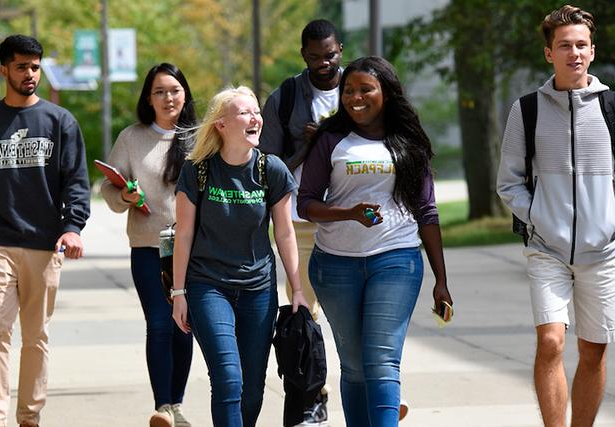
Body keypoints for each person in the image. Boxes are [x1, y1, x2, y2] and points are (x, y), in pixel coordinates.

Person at [297, 56, 453, 427]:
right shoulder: (330, 139)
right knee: (353, 368)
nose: (355, 98)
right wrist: (347, 213)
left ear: (386, 92)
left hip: (396, 259)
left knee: (381, 361)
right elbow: (306, 203)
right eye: (348, 90)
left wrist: (441, 280)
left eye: (366, 89)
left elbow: (427, 212)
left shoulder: (408, 142)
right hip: (336, 264)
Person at [496, 5, 615, 427]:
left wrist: (614, 219)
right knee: (550, 342)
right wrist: (538, 217)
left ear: (592, 50)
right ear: (549, 53)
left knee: (593, 351)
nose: (575, 53)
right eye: (565, 45)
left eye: (581, 45)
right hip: (547, 247)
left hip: (604, 251)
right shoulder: (527, 109)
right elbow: (509, 181)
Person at [171, 86, 309, 427]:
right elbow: (184, 234)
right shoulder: (198, 170)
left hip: (258, 290)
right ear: (221, 124)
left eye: (256, 112)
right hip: (208, 286)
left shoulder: (271, 170)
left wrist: (297, 289)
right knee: (228, 379)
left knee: (252, 391)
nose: (255, 118)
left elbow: (285, 233)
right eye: (245, 113)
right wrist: (178, 293)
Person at [0, 35, 90, 427]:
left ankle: (29, 418)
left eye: (35, 67)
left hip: (45, 245)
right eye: (21, 66)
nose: (30, 74)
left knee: (36, 337)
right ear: (4, 70)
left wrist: (73, 227)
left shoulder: (59, 121)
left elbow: (75, 181)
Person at [100, 63, 196, 427]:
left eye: (174, 89)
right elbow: (109, 190)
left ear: (184, 93)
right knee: (158, 322)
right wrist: (125, 195)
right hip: (147, 247)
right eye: (159, 91)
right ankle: (163, 407)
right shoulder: (131, 137)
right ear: (148, 98)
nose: (168, 97)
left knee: (182, 323)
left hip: (191, 250)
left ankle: (178, 404)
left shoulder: (200, 136)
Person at [259, 18, 342, 425]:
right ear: (303, 56)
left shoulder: (362, 88)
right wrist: (308, 146)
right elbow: (267, 166)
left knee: (356, 314)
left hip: (356, 219)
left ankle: (374, 392)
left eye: (329, 55)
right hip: (301, 219)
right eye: (314, 58)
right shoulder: (287, 96)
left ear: (340, 49)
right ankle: (314, 397)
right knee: (304, 312)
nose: (323, 64)